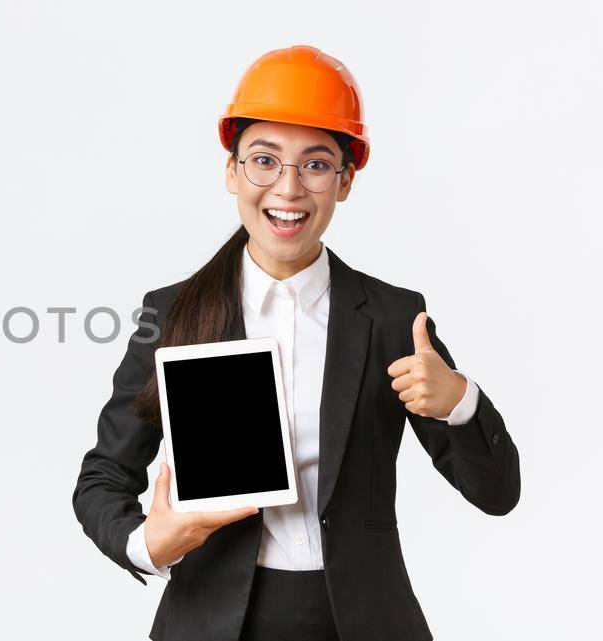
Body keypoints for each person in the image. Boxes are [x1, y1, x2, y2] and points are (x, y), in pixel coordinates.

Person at [70, 45, 521, 641]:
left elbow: (496, 493)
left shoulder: (392, 318)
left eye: (314, 165)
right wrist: (144, 543)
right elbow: (104, 475)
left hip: (360, 619)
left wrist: (459, 403)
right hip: (215, 619)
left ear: (345, 181)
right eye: (264, 160)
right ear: (232, 171)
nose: (288, 187)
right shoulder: (173, 313)